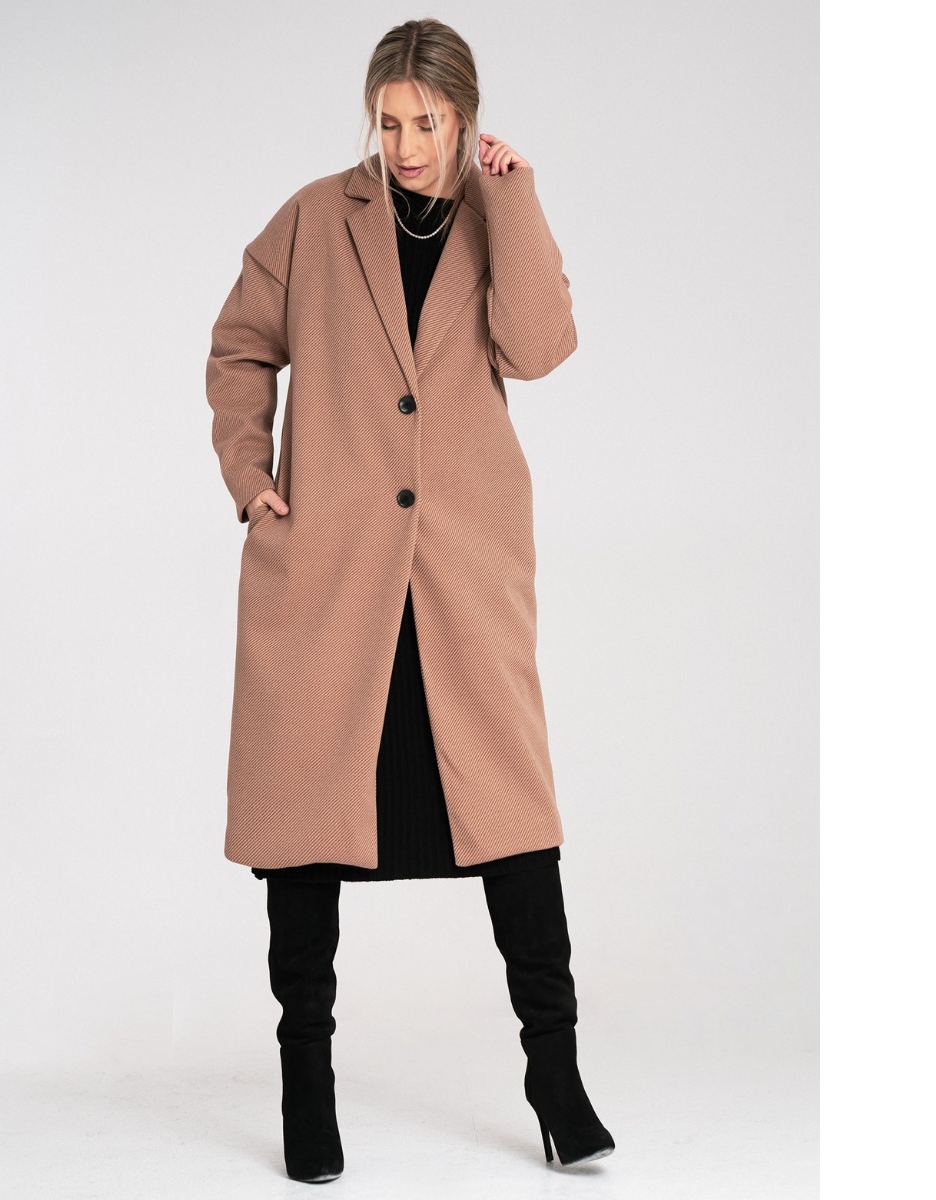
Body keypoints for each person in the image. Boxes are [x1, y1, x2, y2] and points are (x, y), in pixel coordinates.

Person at [205, 17, 615, 1184]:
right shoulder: (313, 219)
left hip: (459, 568)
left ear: (464, 117)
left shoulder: (496, 214)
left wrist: (516, 197)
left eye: (426, 122)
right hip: (330, 569)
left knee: (513, 817)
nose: (405, 145)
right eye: (388, 123)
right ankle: (307, 1085)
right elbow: (239, 348)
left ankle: (556, 1080)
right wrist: (251, 473)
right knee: (304, 829)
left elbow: (539, 347)